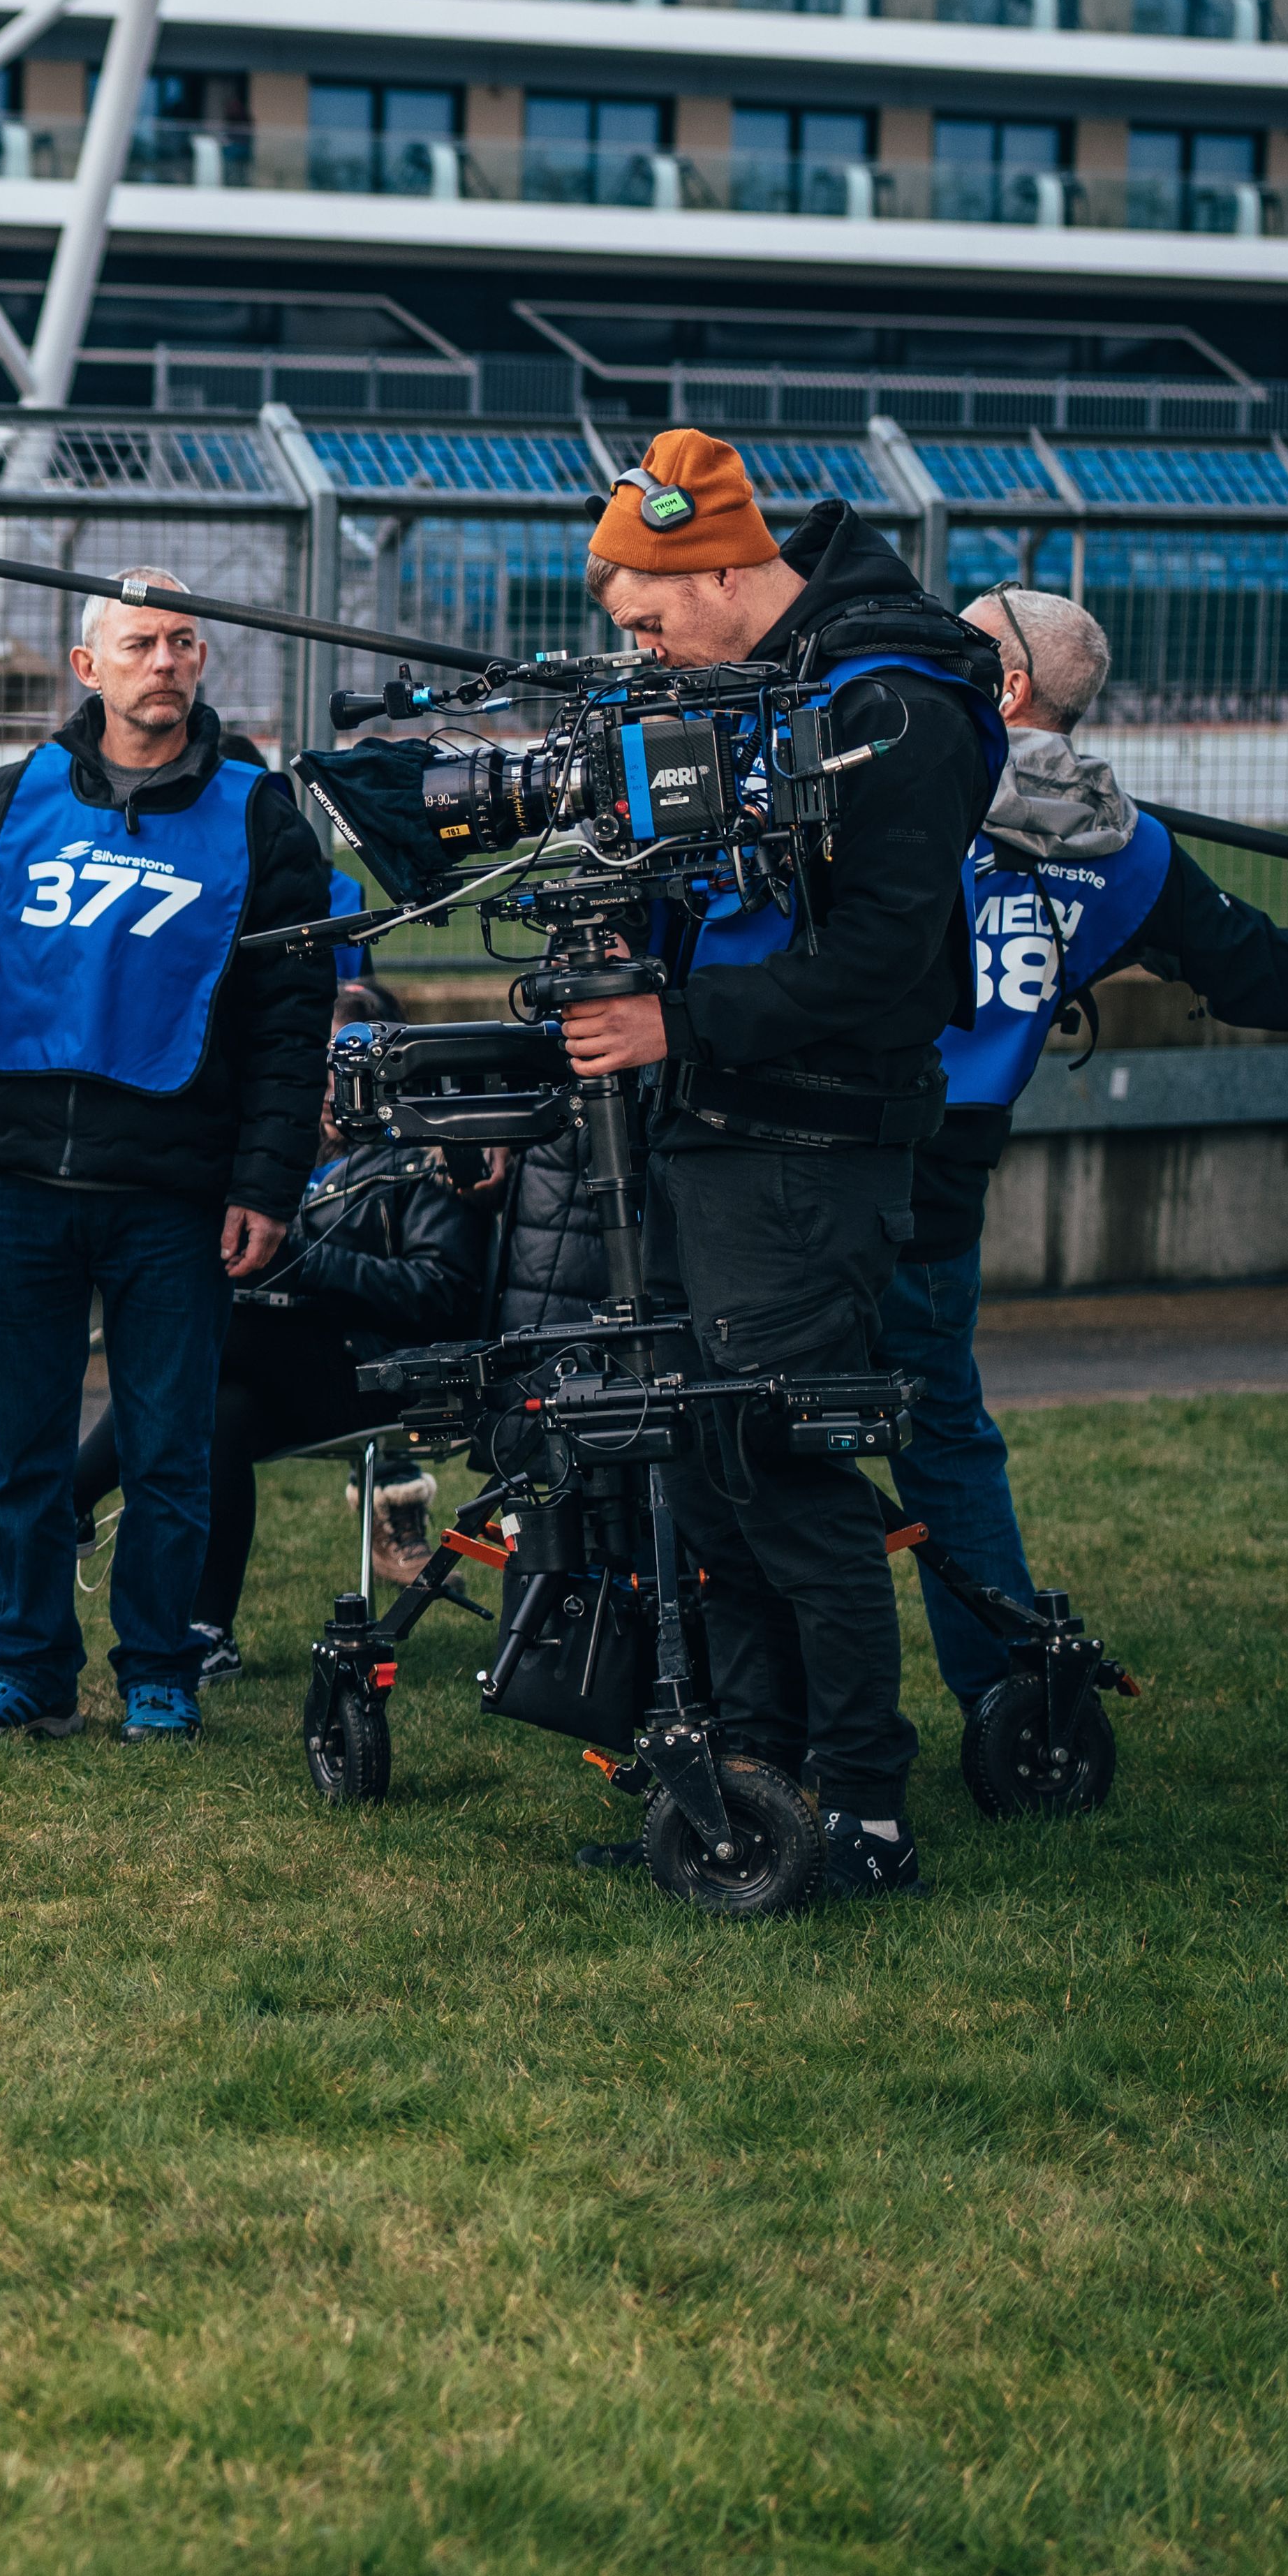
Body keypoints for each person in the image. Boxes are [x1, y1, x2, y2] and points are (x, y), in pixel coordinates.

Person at [891, 589, 1288, 1717]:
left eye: (957, 640)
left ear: (1009, 687)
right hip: (946, 1173)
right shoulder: (1134, 855)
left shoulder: (888, 790)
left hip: (823, 1147)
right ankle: (1002, 1696)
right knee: (941, 1439)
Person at [541, 432, 1001, 1900]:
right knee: (707, 1467)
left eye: (651, 622)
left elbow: (878, 966)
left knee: (787, 1479)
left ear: (724, 569)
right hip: (717, 1128)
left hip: (807, 1147)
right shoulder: (764, 686)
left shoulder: (892, 705)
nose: (645, 652)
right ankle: (748, 1779)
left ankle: (862, 1805)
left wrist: (670, 1016)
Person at [0, 570, 327, 1745]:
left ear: (201, 664)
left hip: (174, 1197)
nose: (162, 662)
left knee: (170, 1453)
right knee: (25, 1459)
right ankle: (26, 1672)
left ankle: (158, 1674)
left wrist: (265, 1185)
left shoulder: (256, 814)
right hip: (19, 1185)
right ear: (88, 667)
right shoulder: (12, 798)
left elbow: (291, 1024)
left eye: (182, 643)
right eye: (138, 644)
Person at [54, 987, 498, 1639]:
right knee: (219, 1407)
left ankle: (66, 1499)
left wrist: (302, 1259)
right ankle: (207, 1633)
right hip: (296, 1371)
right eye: (313, 1066)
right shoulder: (292, 1159)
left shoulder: (426, 1153)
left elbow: (442, 1292)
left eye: (338, 1065)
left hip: (390, 1371)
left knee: (207, 1324)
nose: (320, 1085)